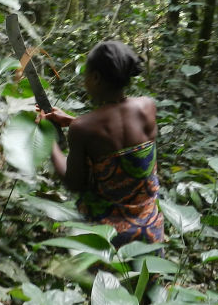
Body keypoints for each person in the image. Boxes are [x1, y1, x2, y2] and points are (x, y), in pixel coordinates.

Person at [41, 40, 165, 248]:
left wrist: (50, 141)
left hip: (106, 240)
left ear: (96, 78)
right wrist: (72, 121)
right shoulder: (147, 107)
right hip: (150, 232)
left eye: (86, 76)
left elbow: (73, 184)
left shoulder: (83, 129)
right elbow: (122, 141)